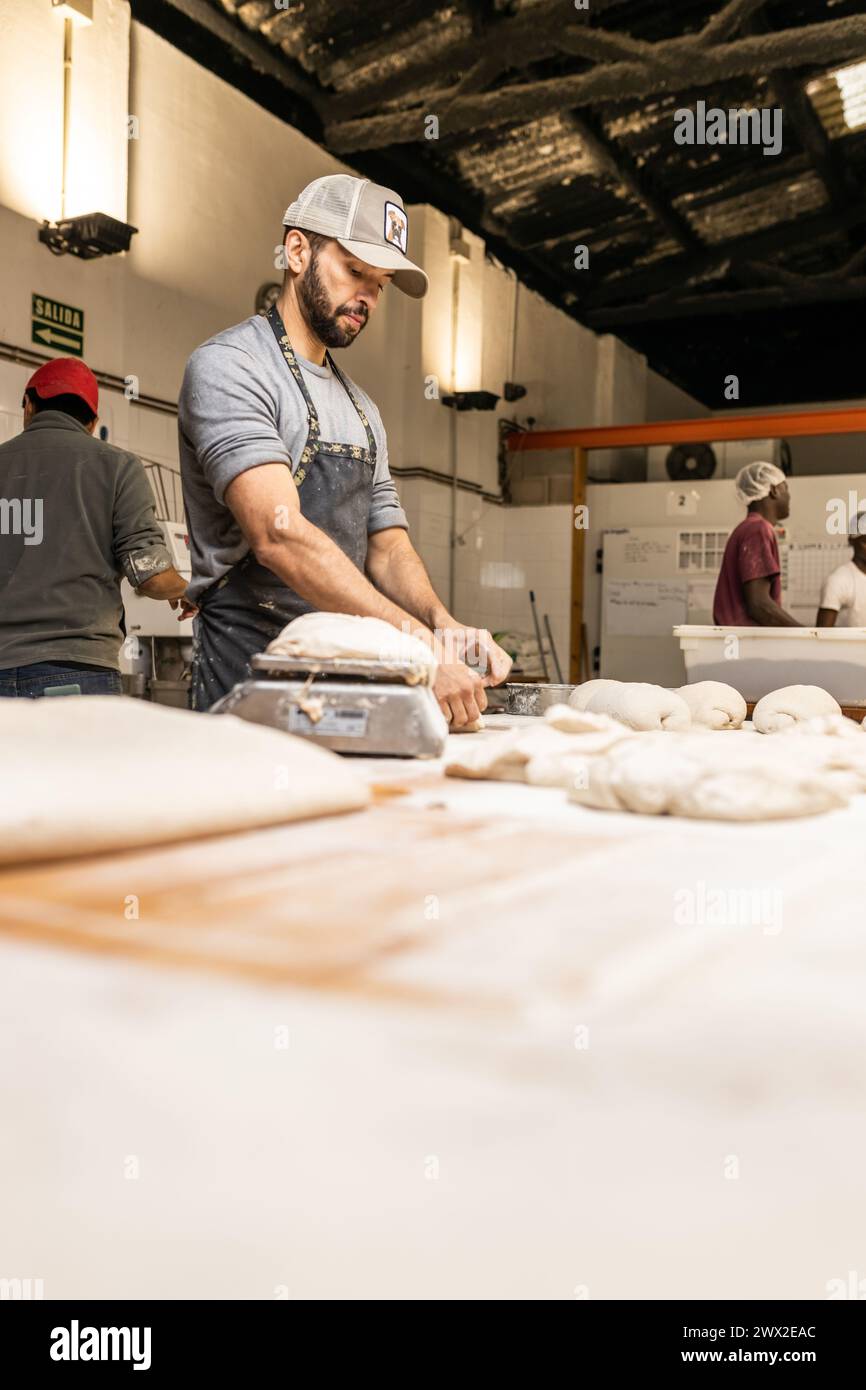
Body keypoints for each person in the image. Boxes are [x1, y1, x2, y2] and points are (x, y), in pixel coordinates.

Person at [178, 173, 511, 724]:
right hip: (251, 678)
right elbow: (278, 534)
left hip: (346, 681)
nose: (368, 297)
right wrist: (417, 645)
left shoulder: (363, 410)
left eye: (378, 284)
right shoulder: (230, 367)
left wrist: (441, 623)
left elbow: (387, 548)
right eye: (355, 271)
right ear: (297, 250)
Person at [0, 358, 189, 697]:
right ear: (93, 422)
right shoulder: (119, 468)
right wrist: (187, 590)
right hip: (78, 673)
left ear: (28, 404)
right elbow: (149, 573)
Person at [713, 461, 798, 626]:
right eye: (786, 488)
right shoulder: (757, 529)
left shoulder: (747, 528)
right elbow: (759, 605)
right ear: (774, 490)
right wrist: (805, 634)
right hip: (747, 645)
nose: (789, 495)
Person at [816, 509, 866, 627]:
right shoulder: (838, 580)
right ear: (851, 541)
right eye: (865, 541)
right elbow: (822, 636)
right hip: (850, 646)